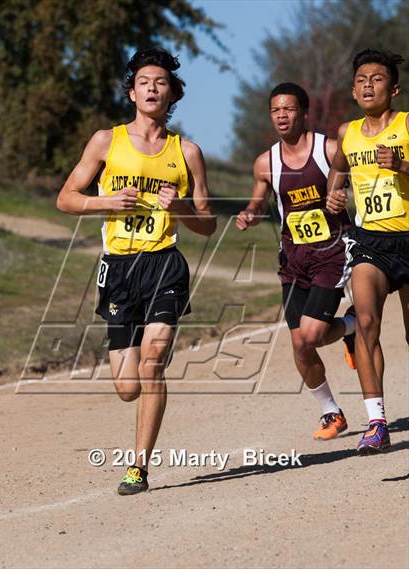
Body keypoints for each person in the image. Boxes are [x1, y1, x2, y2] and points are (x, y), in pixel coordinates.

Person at [57, 47, 216, 493]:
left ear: (172, 95)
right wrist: (103, 201)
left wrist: (181, 207)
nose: (152, 87)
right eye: (144, 81)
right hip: (119, 269)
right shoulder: (106, 141)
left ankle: (138, 467)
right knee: (127, 386)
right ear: (131, 92)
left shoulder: (187, 152)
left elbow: (207, 224)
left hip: (165, 264)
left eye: (160, 82)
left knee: (152, 366)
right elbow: (65, 198)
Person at [237, 82, 356, 441]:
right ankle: (331, 412)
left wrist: (342, 194)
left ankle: (352, 325)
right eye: (275, 110)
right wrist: (251, 214)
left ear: (304, 112)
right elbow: (258, 201)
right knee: (300, 344)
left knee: (313, 334)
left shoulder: (329, 149)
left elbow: (354, 183)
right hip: (294, 257)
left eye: (288, 109)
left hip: (331, 253)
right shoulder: (266, 162)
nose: (281, 116)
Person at [326, 49, 409, 454]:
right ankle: (376, 423)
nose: (367, 85)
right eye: (360, 79)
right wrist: (334, 195)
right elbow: (337, 170)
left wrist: (403, 166)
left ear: (393, 88)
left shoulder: (408, 126)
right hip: (370, 242)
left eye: (376, 79)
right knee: (365, 323)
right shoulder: (348, 132)